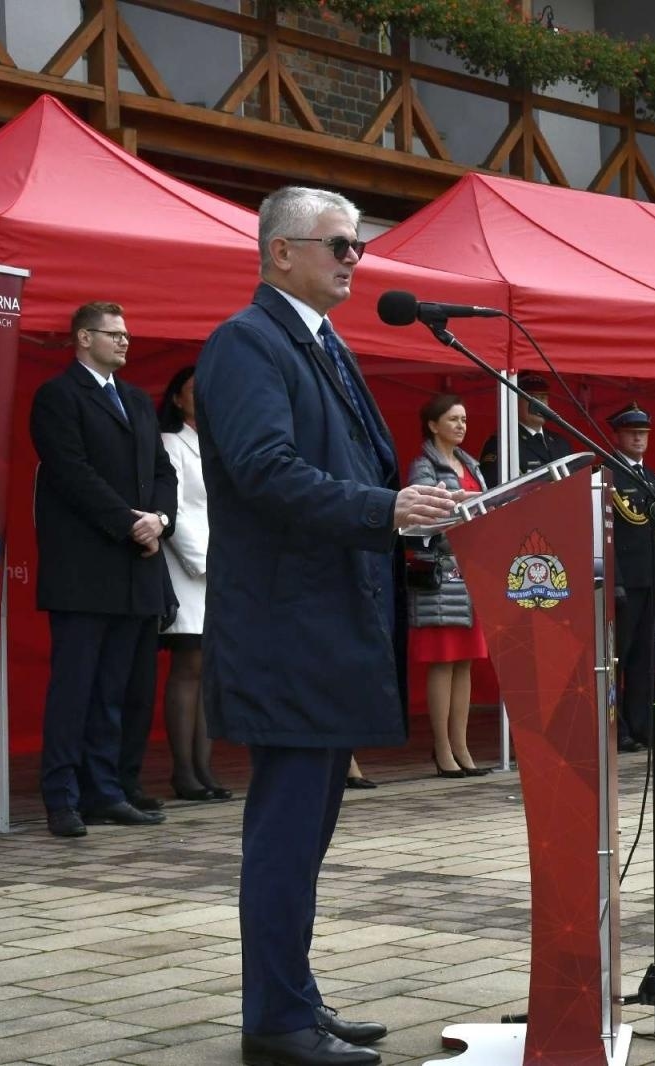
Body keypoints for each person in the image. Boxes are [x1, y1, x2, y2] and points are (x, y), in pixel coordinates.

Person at [196, 185, 456, 1066]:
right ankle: (274, 1022)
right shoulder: (245, 344)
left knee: (310, 833)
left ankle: (295, 997)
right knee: (286, 827)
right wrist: (389, 508)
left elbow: (351, 467)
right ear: (280, 252)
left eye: (358, 246)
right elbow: (266, 472)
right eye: (340, 245)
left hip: (331, 625)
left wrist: (410, 511)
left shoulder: (323, 342)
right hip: (287, 629)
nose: (355, 259)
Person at [31, 301, 176, 839]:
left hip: (137, 570)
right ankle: (62, 797)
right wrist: (128, 524)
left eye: (127, 333)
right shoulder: (59, 396)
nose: (124, 341)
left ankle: (106, 790)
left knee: (121, 689)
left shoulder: (138, 401)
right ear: (82, 339)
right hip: (85, 571)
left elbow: (163, 473)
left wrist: (160, 518)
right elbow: (72, 473)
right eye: (113, 333)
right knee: (76, 690)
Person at [406, 392, 491, 778]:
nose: (461, 426)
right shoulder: (423, 466)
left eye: (465, 420)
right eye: (454, 419)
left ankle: (462, 746)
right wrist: (459, 507)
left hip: (472, 571)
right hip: (441, 572)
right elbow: (422, 517)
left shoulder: (470, 464)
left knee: (464, 663)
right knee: (442, 662)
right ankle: (442, 749)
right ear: (433, 424)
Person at [158, 366, 230, 801]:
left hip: (224, 567)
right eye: (193, 391)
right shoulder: (171, 443)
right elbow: (175, 509)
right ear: (177, 400)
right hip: (191, 568)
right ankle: (183, 771)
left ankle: (205, 768)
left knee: (211, 672)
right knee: (190, 667)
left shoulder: (220, 444)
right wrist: (203, 563)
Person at [606, 403, 655, 754]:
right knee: (618, 658)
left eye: (644, 433)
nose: (638, 438)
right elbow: (607, 538)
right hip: (626, 584)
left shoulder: (652, 478)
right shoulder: (608, 476)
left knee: (646, 661)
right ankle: (615, 729)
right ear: (617, 436)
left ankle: (643, 726)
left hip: (652, 580)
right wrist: (615, 580)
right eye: (632, 432)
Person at [478, 371, 570, 488]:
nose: (540, 405)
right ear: (515, 401)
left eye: (543, 398)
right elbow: (493, 488)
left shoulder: (561, 443)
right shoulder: (502, 443)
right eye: (533, 399)